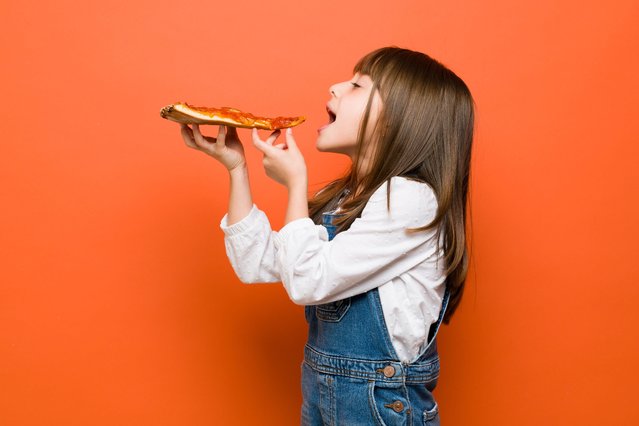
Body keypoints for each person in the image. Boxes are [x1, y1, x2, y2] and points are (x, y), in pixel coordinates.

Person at [179, 46, 475, 425]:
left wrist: (295, 182)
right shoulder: (345, 199)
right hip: (325, 397)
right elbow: (259, 263)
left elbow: (308, 281)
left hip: (378, 406)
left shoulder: (411, 199)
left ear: (401, 118)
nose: (335, 87)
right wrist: (237, 168)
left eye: (356, 85)